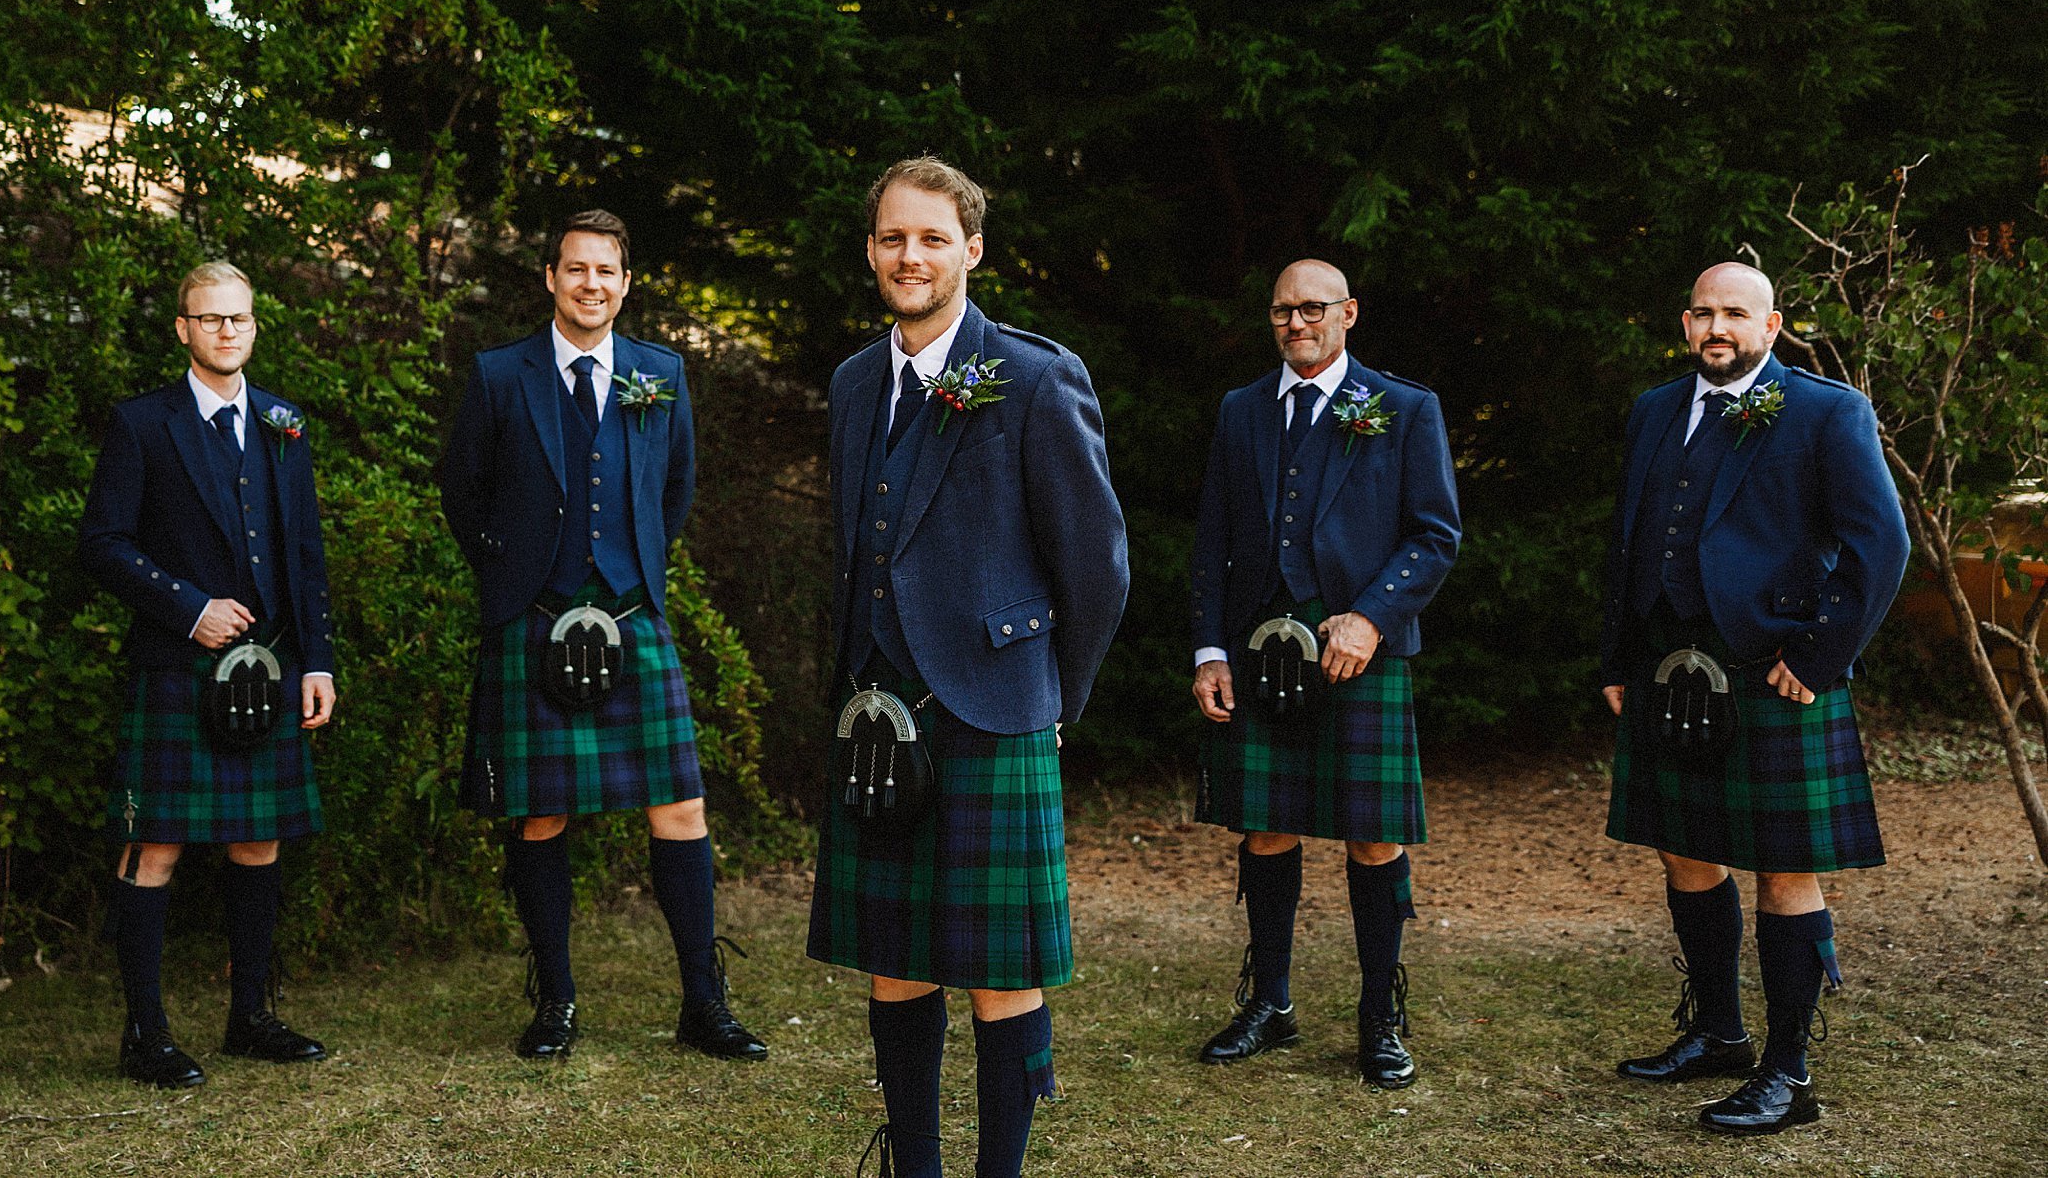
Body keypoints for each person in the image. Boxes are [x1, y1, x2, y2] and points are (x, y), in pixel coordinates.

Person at [807, 157, 1129, 1178]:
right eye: (894, 237)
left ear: (972, 250)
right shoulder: (855, 383)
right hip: (877, 710)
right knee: (894, 961)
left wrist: (1050, 699)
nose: (912, 255)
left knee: (1002, 970)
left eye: (933, 238)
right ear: (870, 248)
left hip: (996, 706)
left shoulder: (1034, 375)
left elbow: (1097, 564)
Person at [436, 209, 766, 1062]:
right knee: (542, 814)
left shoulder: (660, 372)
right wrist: (510, 573)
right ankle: (556, 999)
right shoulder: (501, 373)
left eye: (607, 271)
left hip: (630, 615)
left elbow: (676, 485)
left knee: (682, 807)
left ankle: (704, 1001)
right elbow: (461, 490)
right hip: (534, 618)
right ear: (550, 276)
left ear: (626, 282)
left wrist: (637, 563)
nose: (591, 284)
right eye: (575, 268)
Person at [1601, 262, 1909, 1135]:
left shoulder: (1824, 409)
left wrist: (1817, 655)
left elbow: (1881, 545)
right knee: (1685, 849)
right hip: (1668, 664)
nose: (1717, 326)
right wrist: (1619, 656)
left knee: (1785, 868)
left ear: (1772, 327)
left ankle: (1789, 1071)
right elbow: (1627, 542)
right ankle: (1717, 1032)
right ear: (1686, 321)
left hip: (1771, 671)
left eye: (1736, 312)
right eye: (1703, 311)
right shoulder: (1656, 408)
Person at [1186, 259, 1460, 1090]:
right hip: (1258, 651)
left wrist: (1373, 615)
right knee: (1266, 826)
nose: (1296, 322)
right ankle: (1270, 1003)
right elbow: (1212, 540)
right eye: (1281, 311)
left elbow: (1435, 534)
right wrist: (1209, 650)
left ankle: (1380, 1016)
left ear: (1348, 314)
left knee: (1374, 836)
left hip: (1357, 655)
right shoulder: (1241, 411)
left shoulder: (1405, 408)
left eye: (1312, 308)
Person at [78, 261, 336, 1087]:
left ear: (254, 325)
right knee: (153, 846)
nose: (227, 331)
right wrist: (189, 607)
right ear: (183, 329)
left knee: (258, 838)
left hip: (272, 669)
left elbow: (305, 555)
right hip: (178, 667)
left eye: (240, 318)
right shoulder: (142, 424)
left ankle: (250, 1016)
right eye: (210, 318)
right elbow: (104, 544)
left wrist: (316, 660)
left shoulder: (282, 423)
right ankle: (144, 1033)